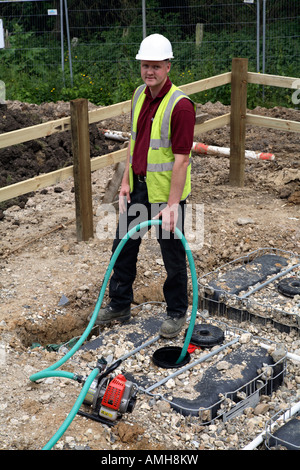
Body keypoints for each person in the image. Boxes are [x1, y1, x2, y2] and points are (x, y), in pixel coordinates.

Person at [93, 34, 195, 338]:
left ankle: (176, 312)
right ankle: (120, 304)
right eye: (144, 65)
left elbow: (181, 161)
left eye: (155, 66)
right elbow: (134, 141)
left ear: (168, 66)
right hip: (138, 188)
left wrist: (173, 205)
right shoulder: (139, 95)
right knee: (123, 248)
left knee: (173, 257)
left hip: (166, 196)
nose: (149, 71)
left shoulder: (181, 107)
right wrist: (124, 181)